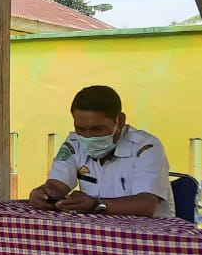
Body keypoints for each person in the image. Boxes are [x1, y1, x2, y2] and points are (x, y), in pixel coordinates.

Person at [29, 85, 175, 218]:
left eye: (97, 129)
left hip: (150, 237)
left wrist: (96, 205)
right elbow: (57, 185)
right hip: (98, 235)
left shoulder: (145, 147)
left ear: (120, 120)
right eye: (80, 129)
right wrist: (44, 194)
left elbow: (146, 205)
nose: (87, 136)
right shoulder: (74, 144)